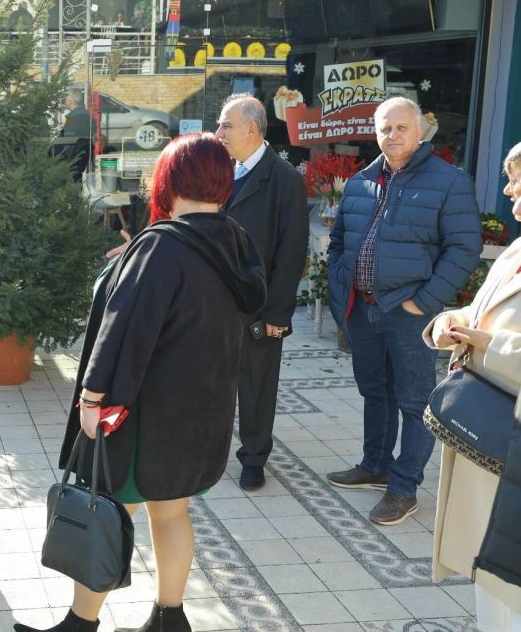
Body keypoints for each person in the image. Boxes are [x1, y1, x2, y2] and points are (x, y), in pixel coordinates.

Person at [18, 133, 266, 632]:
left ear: (169, 180)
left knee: (104, 512)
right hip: (199, 414)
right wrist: (136, 260)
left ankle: (79, 626)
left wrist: (92, 398)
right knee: (171, 513)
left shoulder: (162, 245)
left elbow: (125, 331)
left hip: (143, 417)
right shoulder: (234, 240)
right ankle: (170, 619)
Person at [326, 96, 481, 526]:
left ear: (419, 133)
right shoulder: (361, 181)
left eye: (400, 128)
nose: (391, 135)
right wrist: (343, 287)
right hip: (364, 309)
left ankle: (403, 486)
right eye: (383, 128)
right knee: (374, 390)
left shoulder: (448, 181)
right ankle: (374, 464)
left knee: (414, 402)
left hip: (409, 311)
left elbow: (464, 248)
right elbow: (338, 241)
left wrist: (424, 303)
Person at [423, 142, 521, 629]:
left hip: (513, 446)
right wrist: (450, 321)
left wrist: (487, 344)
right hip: (493, 439)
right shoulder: (517, 250)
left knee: (509, 579)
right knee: (490, 581)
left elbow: (495, 335)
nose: (507, 188)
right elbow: (480, 308)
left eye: (517, 176)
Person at [216, 93, 309, 490]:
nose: (217, 132)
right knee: (213, 383)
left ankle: (254, 459)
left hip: (259, 307)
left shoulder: (284, 179)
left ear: (251, 129)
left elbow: (292, 255)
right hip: (215, 303)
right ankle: (208, 453)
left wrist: (278, 317)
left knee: (256, 387)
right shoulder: (220, 171)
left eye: (225, 125)